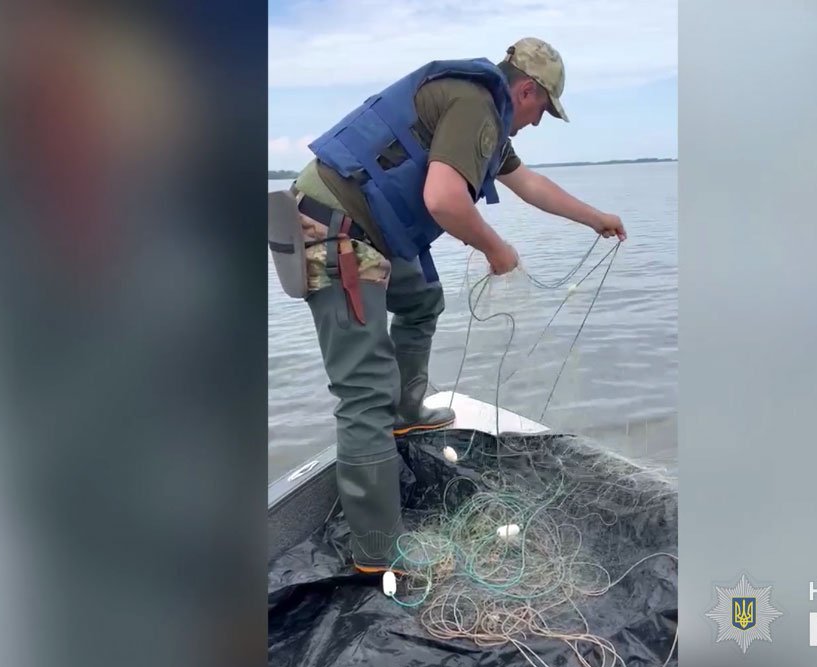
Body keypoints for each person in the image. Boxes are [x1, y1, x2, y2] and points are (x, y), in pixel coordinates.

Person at [268, 37, 627, 572]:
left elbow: (528, 183)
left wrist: (595, 218)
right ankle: (377, 552)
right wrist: (496, 249)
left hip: (372, 229)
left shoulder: (486, 117)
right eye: (543, 110)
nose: (538, 121)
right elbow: (442, 199)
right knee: (363, 394)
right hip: (331, 228)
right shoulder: (474, 104)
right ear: (527, 91)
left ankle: (407, 409)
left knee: (421, 299)